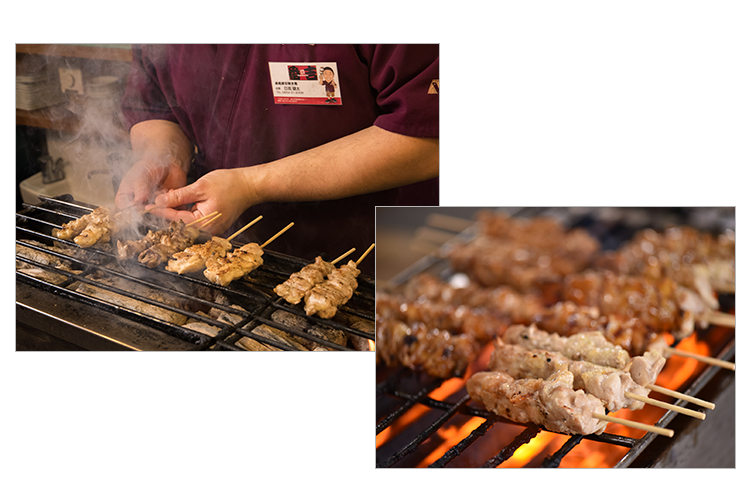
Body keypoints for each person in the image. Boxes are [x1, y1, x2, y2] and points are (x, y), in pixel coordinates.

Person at [115, 44, 439, 276]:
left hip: (380, 253)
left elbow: (431, 136)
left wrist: (251, 184)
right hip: (230, 256)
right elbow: (155, 106)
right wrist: (161, 156)